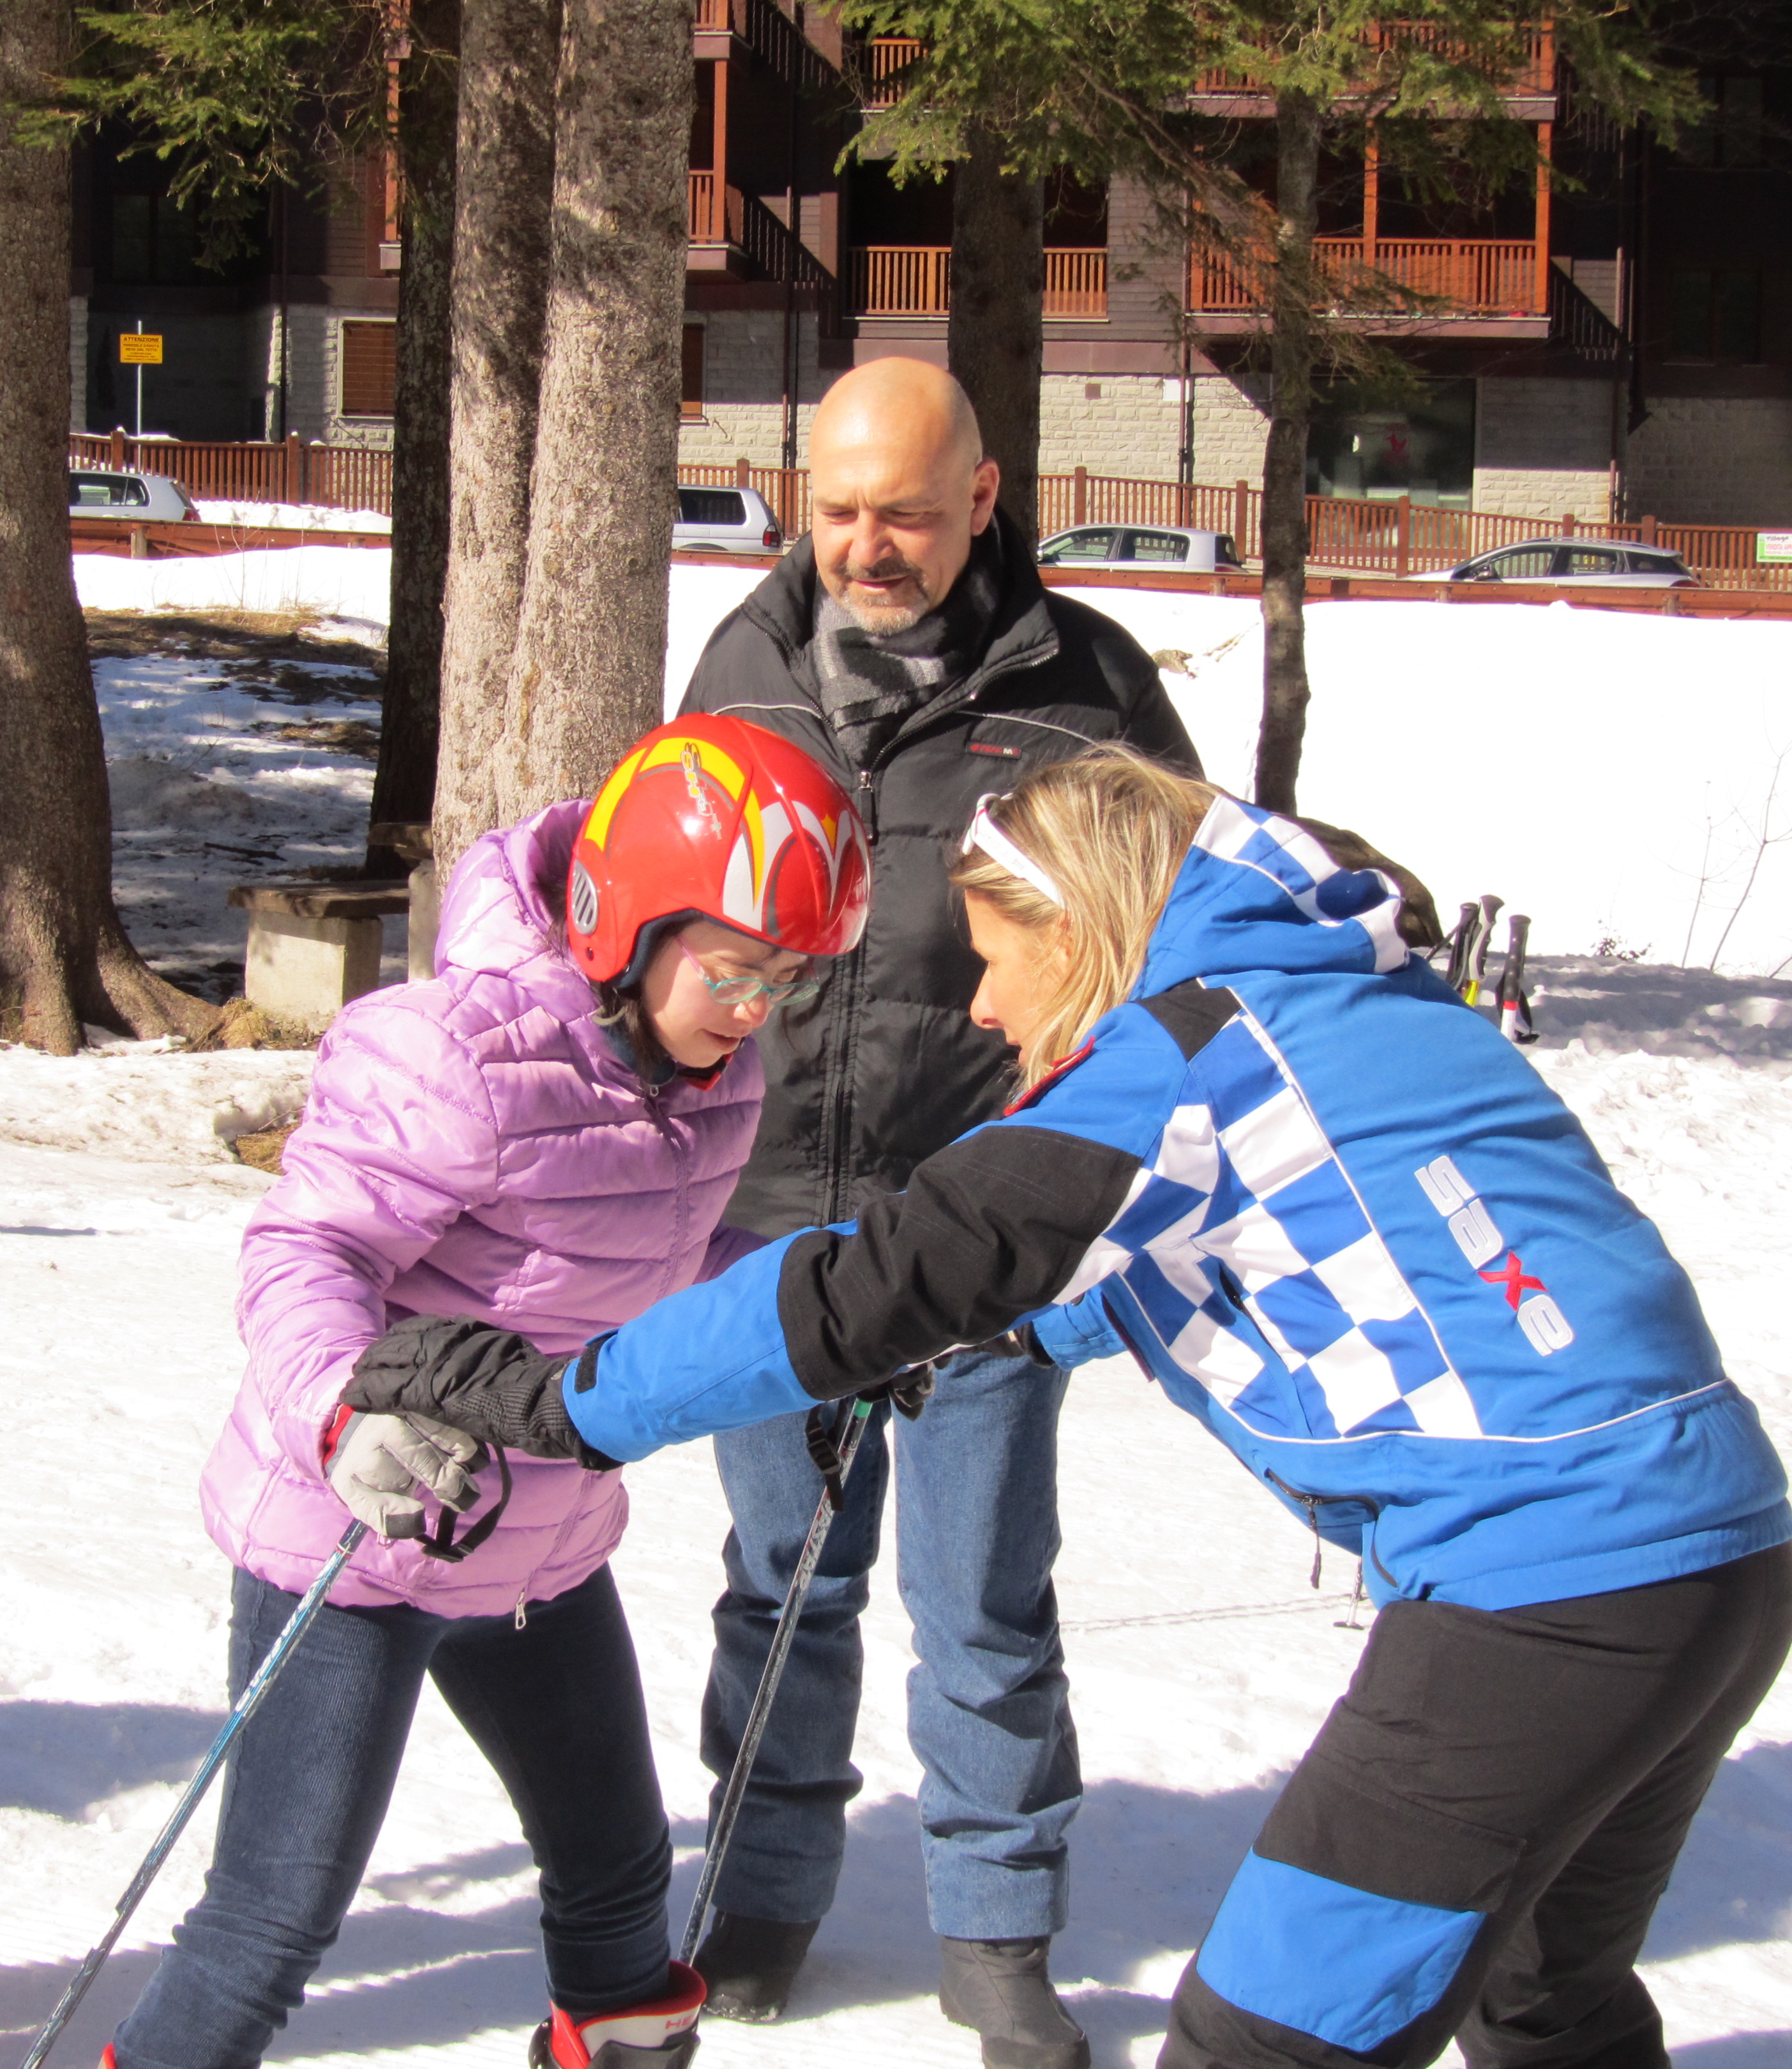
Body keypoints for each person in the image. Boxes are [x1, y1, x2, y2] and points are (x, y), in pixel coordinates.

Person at [342, 746, 1792, 2069]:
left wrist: (560, 1401)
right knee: (1546, 2007)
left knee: (1262, 2044)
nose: (981, 1006)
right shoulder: (1355, 1005)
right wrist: (963, 1343)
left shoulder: (1183, 1057)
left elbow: (880, 1275)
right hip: (1724, 1563)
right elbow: (1230, 1254)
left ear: (1080, 927)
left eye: (993, 958)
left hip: (1544, 1601)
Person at [109, 717, 871, 2069]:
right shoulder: (451, 1054)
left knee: (620, 1884)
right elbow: (307, 1250)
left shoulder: (714, 1077)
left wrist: (839, 1309)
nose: (757, 1010)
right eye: (736, 969)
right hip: (364, 1533)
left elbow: (671, 1259)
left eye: (789, 982)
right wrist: (344, 1413)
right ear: (624, 918)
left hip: (542, 1543)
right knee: (275, 1916)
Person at [671, 354, 1197, 2068]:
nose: (865, 546)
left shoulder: (1087, 682)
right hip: (770, 1221)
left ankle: (995, 1933)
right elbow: (667, 908)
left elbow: (1177, 940)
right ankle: (755, 1900)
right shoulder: (740, 660)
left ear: (982, 496)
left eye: (902, 512)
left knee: (983, 1603)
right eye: (836, 511)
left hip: (983, 1225)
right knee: (781, 1585)